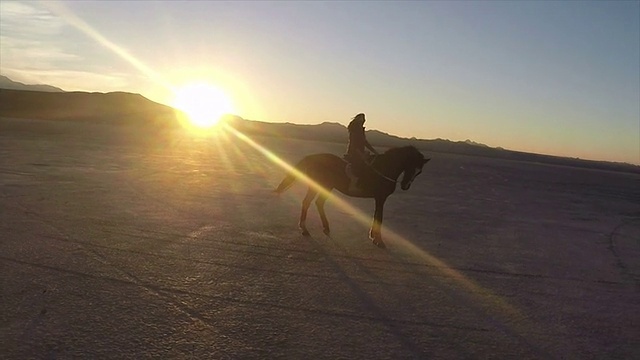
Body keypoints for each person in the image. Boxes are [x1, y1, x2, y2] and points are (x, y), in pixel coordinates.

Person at [344, 113, 379, 191]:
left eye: (364, 119)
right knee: (361, 167)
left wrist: (374, 151)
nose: (364, 120)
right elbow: (354, 145)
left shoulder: (361, 130)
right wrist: (361, 154)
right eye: (362, 119)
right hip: (354, 153)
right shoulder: (354, 130)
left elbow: (365, 142)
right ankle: (353, 184)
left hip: (361, 152)